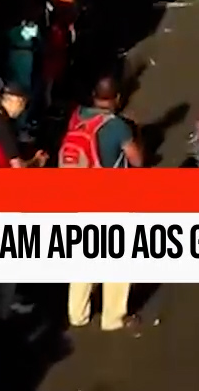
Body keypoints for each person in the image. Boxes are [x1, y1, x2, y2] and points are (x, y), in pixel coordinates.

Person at [62, 76, 141, 333]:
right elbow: (137, 160)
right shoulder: (117, 126)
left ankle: (77, 313)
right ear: (117, 98)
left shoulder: (77, 117)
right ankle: (113, 317)